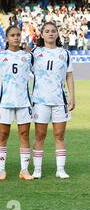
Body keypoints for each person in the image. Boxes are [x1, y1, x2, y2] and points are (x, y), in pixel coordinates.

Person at [31, 22, 75, 179]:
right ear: (41, 35)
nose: (50, 33)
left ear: (57, 34)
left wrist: (72, 96)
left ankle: (60, 169)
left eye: (53, 31)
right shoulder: (35, 53)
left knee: (59, 135)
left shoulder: (64, 53)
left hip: (59, 100)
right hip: (40, 100)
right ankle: (37, 170)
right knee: (39, 135)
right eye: (47, 31)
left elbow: (69, 76)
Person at [0, 25, 34, 181]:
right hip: (5, 101)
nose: (16, 37)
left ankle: (24, 170)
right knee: (3, 135)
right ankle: (1, 170)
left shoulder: (29, 56)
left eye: (18, 35)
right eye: (12, 35)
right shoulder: (0, 55)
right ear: (6, 38)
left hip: (24, 102)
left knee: (24, 135)